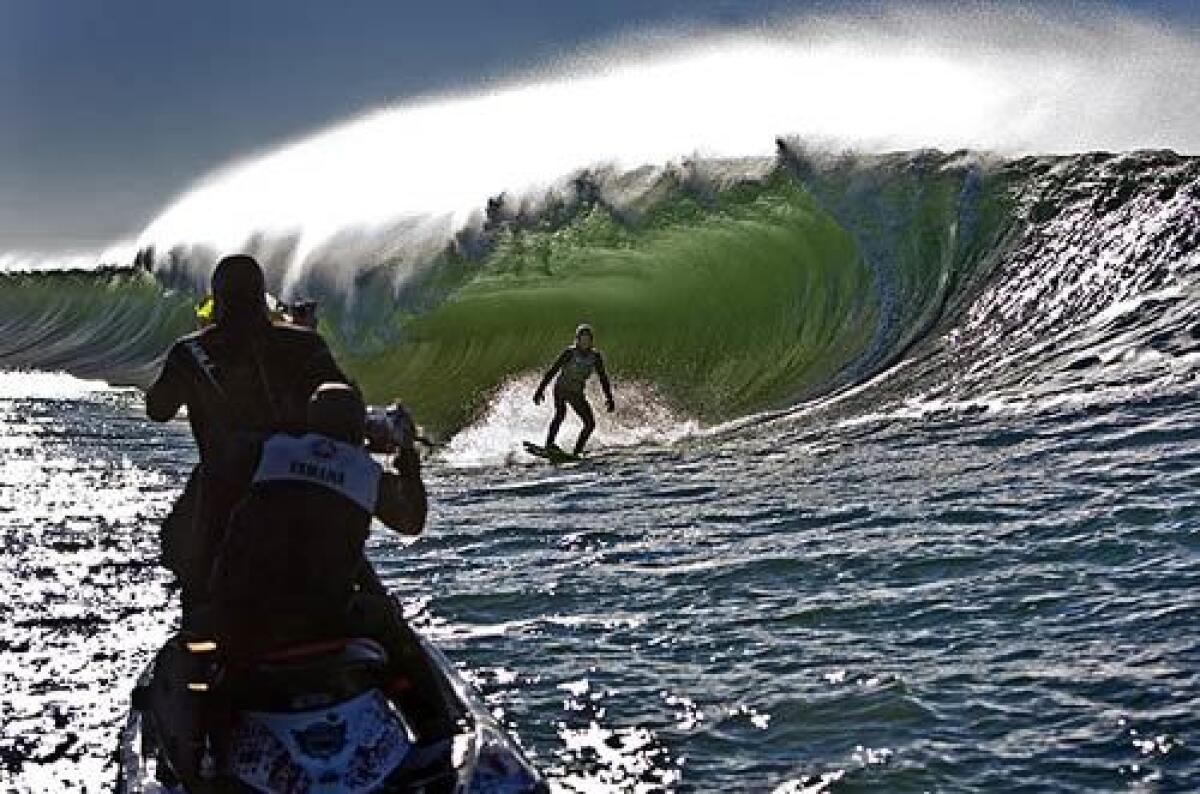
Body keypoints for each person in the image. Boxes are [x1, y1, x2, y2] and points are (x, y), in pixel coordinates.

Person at [207, 383, 458, 743]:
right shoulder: (366, 473)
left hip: (241, 613)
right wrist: (407, 455)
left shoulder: (268, 450)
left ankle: (210, 745)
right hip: (321, 621)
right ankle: (438, 730)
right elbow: (412, 523)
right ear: (358, 427)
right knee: (391, 625)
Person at [146, 254, 349, 623]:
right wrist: (304, 334)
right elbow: (345, 399)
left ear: (217, 301)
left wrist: (196, 347)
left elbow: (157, 409)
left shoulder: (191, 352)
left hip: (224, 490)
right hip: (302, 483)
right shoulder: (305, 345)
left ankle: (200, 640)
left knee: (191, 568)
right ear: (262, 298)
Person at [533, 323, 615, 455]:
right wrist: (539, 390)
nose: (585, 342)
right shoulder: (569, 353)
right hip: (561, 388)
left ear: (591, 341)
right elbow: (553, 371)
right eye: (582, 339)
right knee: (560, 413)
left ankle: (576, 453)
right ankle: (549, 445)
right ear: (577, 339)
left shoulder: (595, 357)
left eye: (588, 339)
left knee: (590, 424)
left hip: (577, 393)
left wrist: (609, 398)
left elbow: (603, 378)